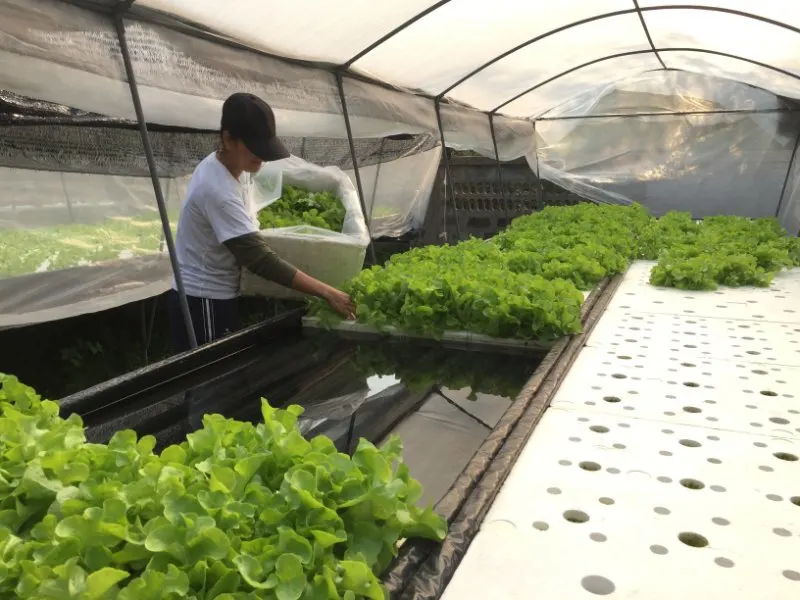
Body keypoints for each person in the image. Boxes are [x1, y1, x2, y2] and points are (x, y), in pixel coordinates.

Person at [167, 92, 355, 353]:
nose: (262, 157)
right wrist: (327, 292)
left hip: (216, 294)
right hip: (203, 299)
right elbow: (258, 259)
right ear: (228, 139)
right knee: (208, 381)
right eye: (255, 148)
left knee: (221, 377)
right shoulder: (216, 189)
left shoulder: (231, 166)